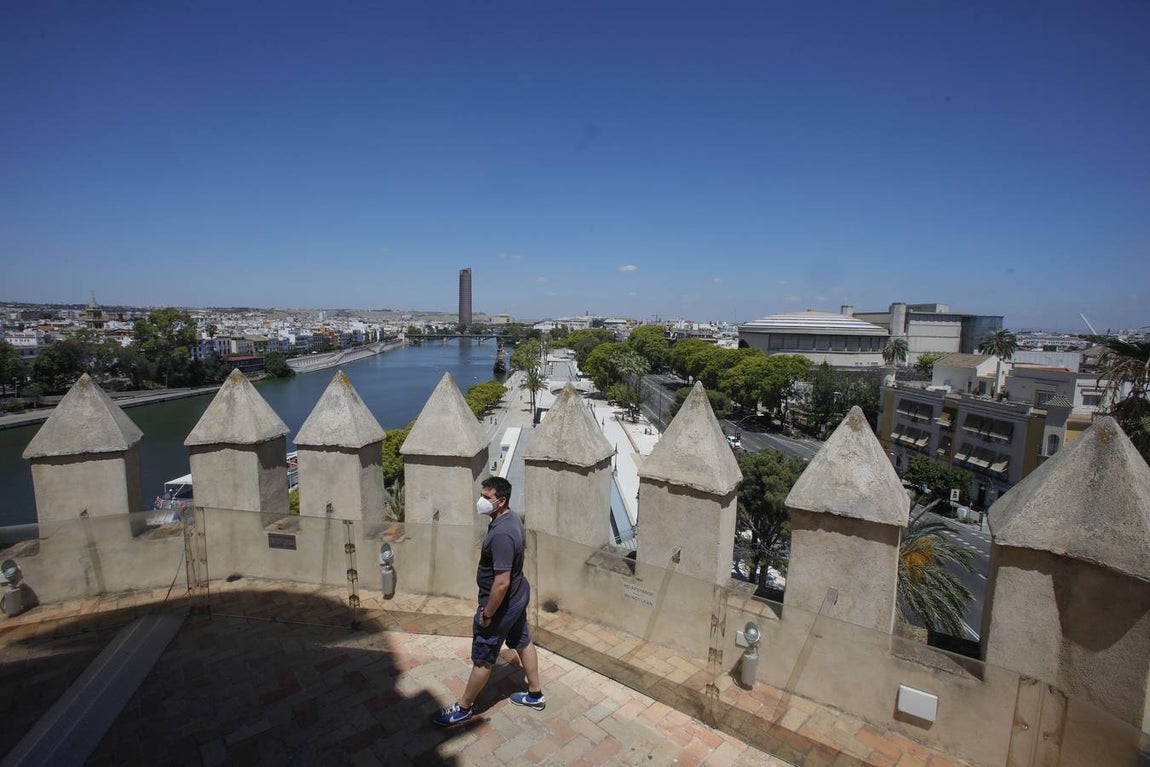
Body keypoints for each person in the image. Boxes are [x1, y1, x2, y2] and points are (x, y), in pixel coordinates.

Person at [432, 476, 544, 726]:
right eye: (482, 495)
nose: (481, 501)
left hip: (502, 604)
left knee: (484, 657)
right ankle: (535, 693)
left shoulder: (503, 534)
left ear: (501, 501)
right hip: (518, 594)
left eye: (487, 497)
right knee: (522, 640)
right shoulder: (512, 518)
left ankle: (464, 707)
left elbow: (501, 581)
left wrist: (488, 613)